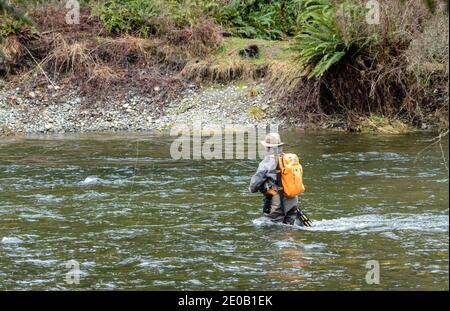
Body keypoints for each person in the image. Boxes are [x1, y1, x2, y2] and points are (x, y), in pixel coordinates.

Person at [249, 132, 303, 225]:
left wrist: (252, 189)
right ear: (280, 146)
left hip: (277, 200)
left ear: (268, 147)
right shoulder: (288, 159)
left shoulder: (266, 162)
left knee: (274, 228)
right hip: (293, 198)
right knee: (290, 226)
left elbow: (256, 181)